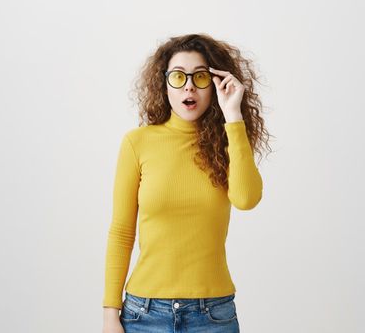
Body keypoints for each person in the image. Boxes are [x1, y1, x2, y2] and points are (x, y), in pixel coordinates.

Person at [102, 33, 272, 333]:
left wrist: (233, 115)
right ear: (163, 83)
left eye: (200, 76)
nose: (189, 85)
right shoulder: (137, 143)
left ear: (216, 83)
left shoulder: (227, 143)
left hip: (213, 315)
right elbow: (121, 232)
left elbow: (247, 199)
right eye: (178, 77)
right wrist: (109, 314)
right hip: (144, 314)